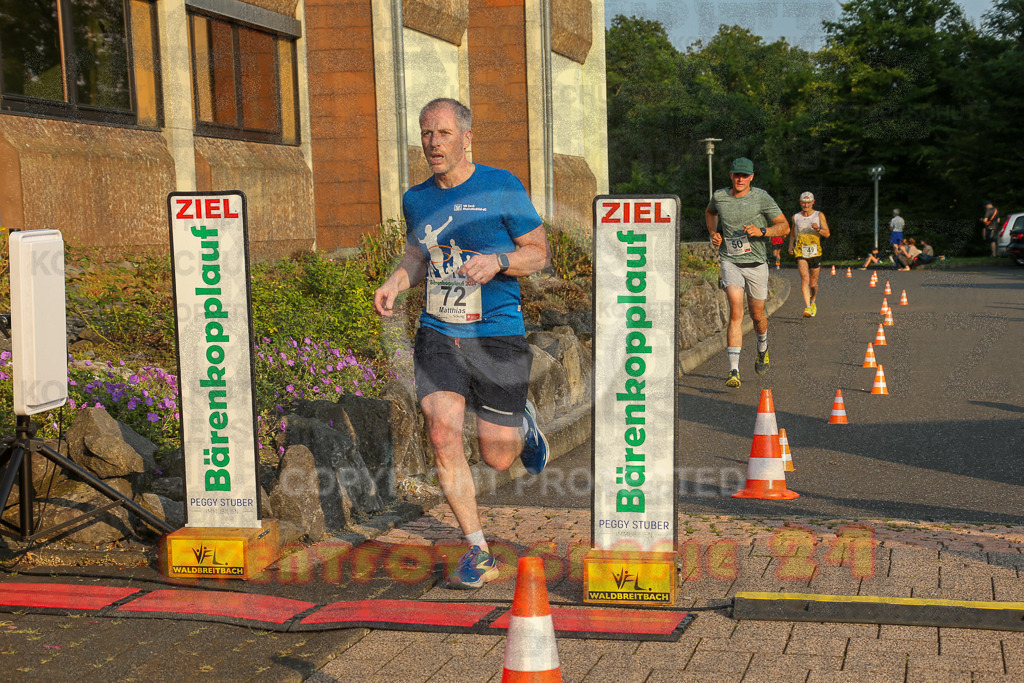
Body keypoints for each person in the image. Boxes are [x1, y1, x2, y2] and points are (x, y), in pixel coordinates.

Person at [373, 98, 550, 589]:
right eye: (426, 133)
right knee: (441, 432)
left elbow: (539, 253)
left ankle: (523, 424)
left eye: (444, 133)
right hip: (439, 329)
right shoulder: (416, 198)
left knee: (498, 456)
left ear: (467, 138)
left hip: (496, 331)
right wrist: (395, 282)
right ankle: (478, 550)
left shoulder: (501, 185)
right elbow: (417, 257)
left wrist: (499, 262)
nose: (433, 143)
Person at [706, 157, 790, 388]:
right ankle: (734, 370)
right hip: (730, 261)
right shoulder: (720, 197)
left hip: (756, 264)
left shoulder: (761, 197)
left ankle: (762, 346)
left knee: (757, 315)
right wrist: (713, 233)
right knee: (736, 311)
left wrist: (762, 231)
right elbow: (710, 213)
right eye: (737, 175)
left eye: (745, 176)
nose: (740, 179)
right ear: (731, 175)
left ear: (751, 177)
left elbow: (784, 226)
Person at [788, 191, 830, 318]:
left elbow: (827, 233)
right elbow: (793, 232)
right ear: (800, 203)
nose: (806, 205)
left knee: (813, 283)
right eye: (803, 202)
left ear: (813, 202)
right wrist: (791, 245)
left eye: (808, 202)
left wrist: (818, 229)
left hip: (815, 251)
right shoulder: (796, 217)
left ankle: (813, 301)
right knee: (805, 278)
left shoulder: (819, 215)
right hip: (800, 251)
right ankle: (808, 307)